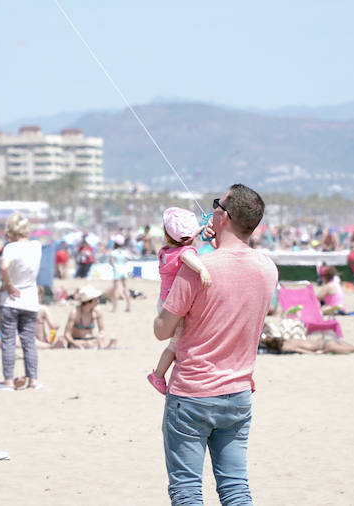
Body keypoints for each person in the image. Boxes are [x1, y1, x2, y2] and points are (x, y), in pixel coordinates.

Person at [153, 184, 278, 504]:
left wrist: (167, 289)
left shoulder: (196, 270)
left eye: (216, 206)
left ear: (225, 217)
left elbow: (162, 330)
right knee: (235, 488)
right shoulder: (268, 268)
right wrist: (211, 245)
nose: (211, 211)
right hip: (237, 393)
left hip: (192, 393)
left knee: (186, 490)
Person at [147, 207, 212, 394]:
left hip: (163, 302)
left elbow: (182, 248)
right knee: (175, 345)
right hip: (174, 304)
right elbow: (187, 255)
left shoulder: (165, 252)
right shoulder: (185, 252)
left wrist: (197, 232)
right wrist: (202, 270)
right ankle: (158, 375)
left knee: (178, 340)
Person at [0, 213, 42, 391]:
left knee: (8, 341)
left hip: (10, 300)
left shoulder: (11, 248)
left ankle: (8, 381)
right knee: (29, 341)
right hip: (30, 299)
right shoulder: (36, 246)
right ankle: (33, 380)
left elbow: (3, 267)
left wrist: (8, 284)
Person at [108, 239, 132, 313]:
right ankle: (128, 307)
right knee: (126, 288)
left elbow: (111, 262)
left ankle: (114, 308)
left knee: (116, 289)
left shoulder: (113, 252)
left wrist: (114, 266)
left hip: (117, 270)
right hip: (124, 269)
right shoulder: (125, 252)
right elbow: (126, 260)